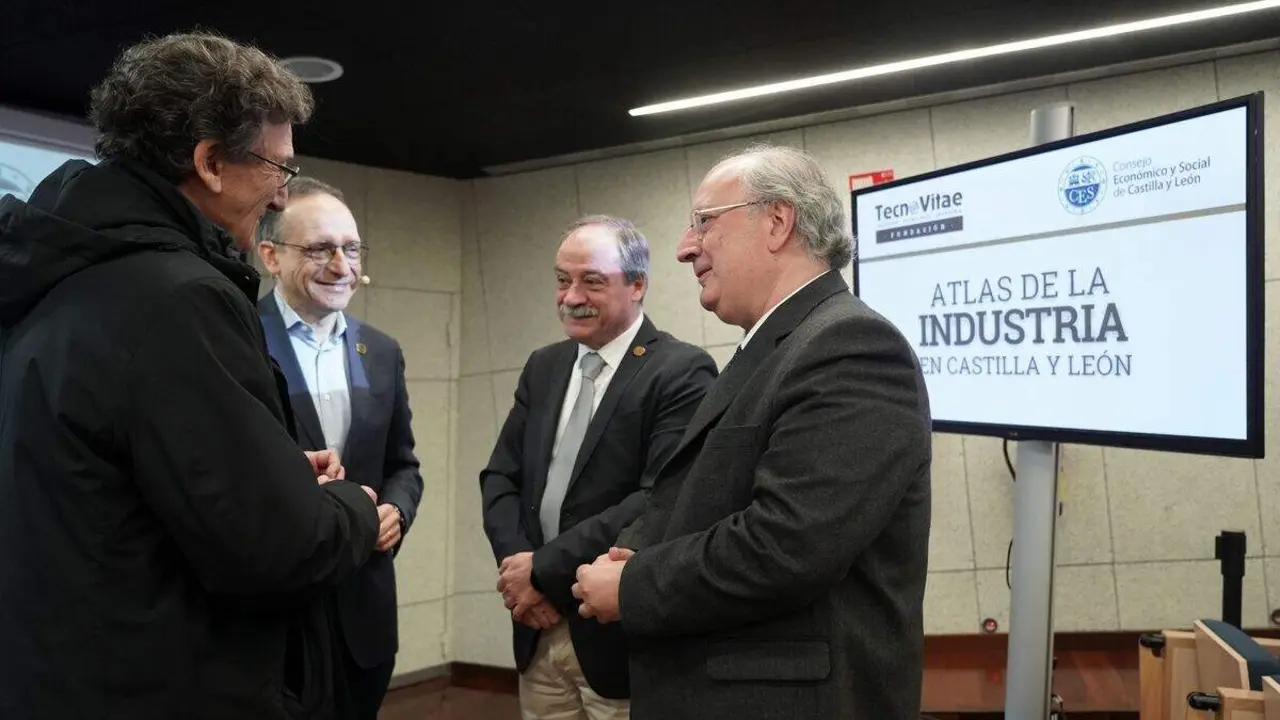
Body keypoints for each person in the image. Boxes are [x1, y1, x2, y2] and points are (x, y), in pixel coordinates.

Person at [0, 32, 381, 720]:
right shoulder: (178, 299)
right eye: (278, 168)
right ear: (210, 162)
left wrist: (265, 473)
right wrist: (351, 505)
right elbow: (280, 551)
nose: (279, 195)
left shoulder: (55, 277)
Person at [572, 145, 933, 720]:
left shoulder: (851, 347)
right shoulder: (779, 346)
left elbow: (790, 545)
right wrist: (637, 546)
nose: (685, 248)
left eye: (704, 223)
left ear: (777, 221)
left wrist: (635, 583)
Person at [480, 215, 717, 719]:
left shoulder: (680, 370)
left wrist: (541, 571)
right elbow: (500, 477)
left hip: (616, 635)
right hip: (536, 627)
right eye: (563, 280)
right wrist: (520, 574)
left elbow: (657, 498)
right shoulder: (544, 366)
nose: (571, 296)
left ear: (637, 285)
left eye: (592, 281)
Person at [257, 176, 424, 719]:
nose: (341, 265)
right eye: (320, 249)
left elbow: (403, 463)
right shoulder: (237, 338)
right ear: (271, 257)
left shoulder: (379, 350)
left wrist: (397, 508)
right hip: (271, 610)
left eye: (351, 248)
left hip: (362, 608)